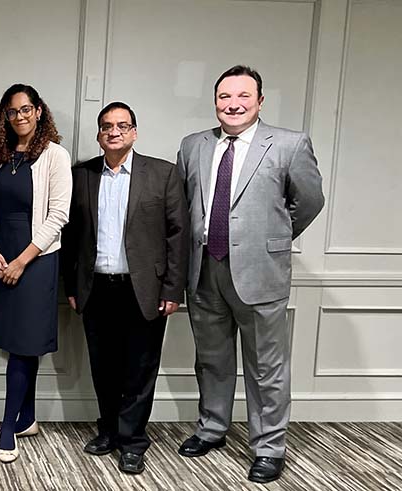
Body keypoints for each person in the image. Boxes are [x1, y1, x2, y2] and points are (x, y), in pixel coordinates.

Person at [176, 65, 324, 483]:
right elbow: (186, 206)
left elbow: (309, 201)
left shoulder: (289, 145)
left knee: (267, 367)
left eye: (243, 96)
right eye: (225, 97)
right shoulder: (193, 146)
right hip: (204, 271)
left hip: (261, 273)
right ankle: (212, 428)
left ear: (260, 101)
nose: (233, 104)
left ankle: (269, 447)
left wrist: (273, 236)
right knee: (212, 360)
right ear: (215, 101)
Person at [60, 102, 189, 474]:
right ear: (99, 134)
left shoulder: (162, 175)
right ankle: (109, 431)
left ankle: (133, 441)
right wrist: (72, 284)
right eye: (106, 126)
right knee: (103, 366)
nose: (113, 132)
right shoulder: (81, 175)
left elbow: (178, 236)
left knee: (140, 368)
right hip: (96, 287)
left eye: (121, 126)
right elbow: (71, 237)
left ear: (134, 132)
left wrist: (172, 290)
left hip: (144, 289)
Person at [0, 84, 71, 463]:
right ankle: (28, 418)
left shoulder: (55, 155)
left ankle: (7, 428)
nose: (19, 117)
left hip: (36, 262)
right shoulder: (1, 157)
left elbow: (59, 216)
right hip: (0, 258)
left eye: (26, 109)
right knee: (19, 343)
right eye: (12, 111)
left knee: (24, 344)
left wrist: (21, 261)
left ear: (39, 111)